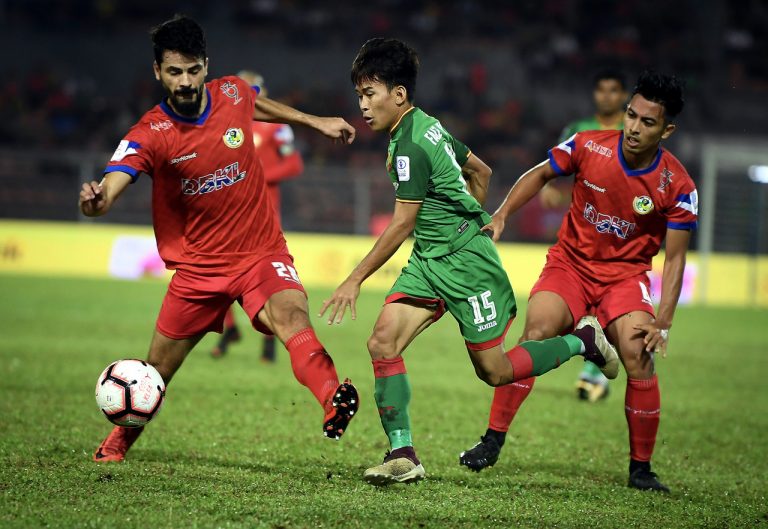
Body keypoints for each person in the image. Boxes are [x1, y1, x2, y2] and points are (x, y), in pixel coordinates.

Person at [320, 38, 620, 486]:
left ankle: (582, 341)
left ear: (398, 94)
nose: (362, 105)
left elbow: (402, 224)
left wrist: (354, 279)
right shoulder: (426, 125)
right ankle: (402, 454)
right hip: (430, 260)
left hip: (466, 267)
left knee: (495, 372)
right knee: (382, 343)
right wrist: (465, 219)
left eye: (369, 94)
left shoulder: (411, 145)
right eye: (359, 95)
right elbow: (481, 171)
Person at [81, 15, 358, 463]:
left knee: (292, 317)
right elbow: (114, 181)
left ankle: (333, 399)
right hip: (199, 270)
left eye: (193, 70)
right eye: (175, 72)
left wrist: (315, 121)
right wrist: (98, 201)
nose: (185, 81)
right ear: (158, 72)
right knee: (156, 371)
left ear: (206, 66)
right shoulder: (150, 133)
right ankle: (117, 443)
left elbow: (256, 103)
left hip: (259, 252)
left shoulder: (231, 91)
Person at [459, 70, 697, 493]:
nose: (634, 128)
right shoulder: (588, 144)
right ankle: (492, 440)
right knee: (537, 331)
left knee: (638, 356)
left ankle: (641, 470)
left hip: (624, 278)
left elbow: (675, 257)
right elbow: (539, 174)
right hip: (569, 266)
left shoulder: (677, 185)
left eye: (647, 122)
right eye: (631, 115)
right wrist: (501, 215)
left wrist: (663, 320)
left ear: (667, 130)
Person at [542, 69, 629, 402]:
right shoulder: (578, 129)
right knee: (575, 301)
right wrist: (551, 185)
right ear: (595, 94)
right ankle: (595, 365)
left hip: (621, 230)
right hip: (583, 230)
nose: (607, 96)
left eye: (613, 90)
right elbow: (554, 164)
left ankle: (594, 372)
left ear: (624, 95)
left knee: (609, 303)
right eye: (601, 89)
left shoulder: (632, 131)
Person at [211, 70, 305, 363]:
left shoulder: (277, 127)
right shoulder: (227, 124)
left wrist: (259, 174)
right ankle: (229, 328)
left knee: (265, 276)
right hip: (231, 211)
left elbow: (294, 163)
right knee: (217, 270)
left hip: (264, 213)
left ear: (262, 92)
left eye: (252, 89)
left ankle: (269, 341)